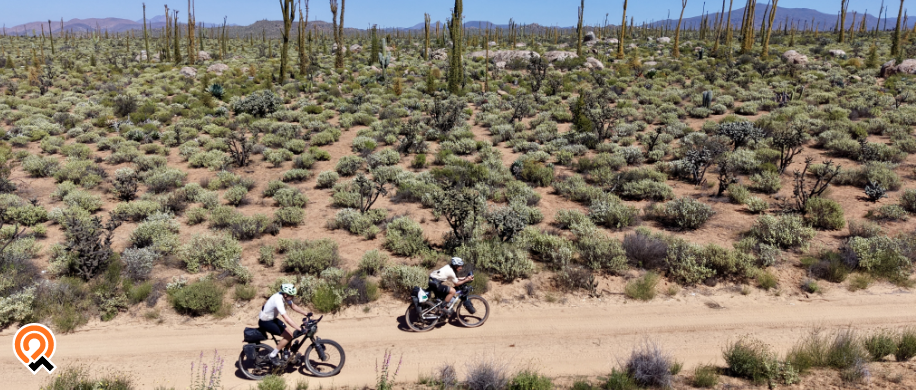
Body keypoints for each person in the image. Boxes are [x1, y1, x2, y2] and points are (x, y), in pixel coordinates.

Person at [258, 284, 310, 365]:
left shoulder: (284, 296)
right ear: (285, 294)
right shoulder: (278, 300)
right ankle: (272, 355)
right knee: (288, 336)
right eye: (291, 296)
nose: (293, 297)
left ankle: (286, 355)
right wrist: (300, 329)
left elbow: (293, 306)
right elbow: (286, 318)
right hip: (266, 321)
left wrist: (305, 313)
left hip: (271, 319)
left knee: (290, 334)